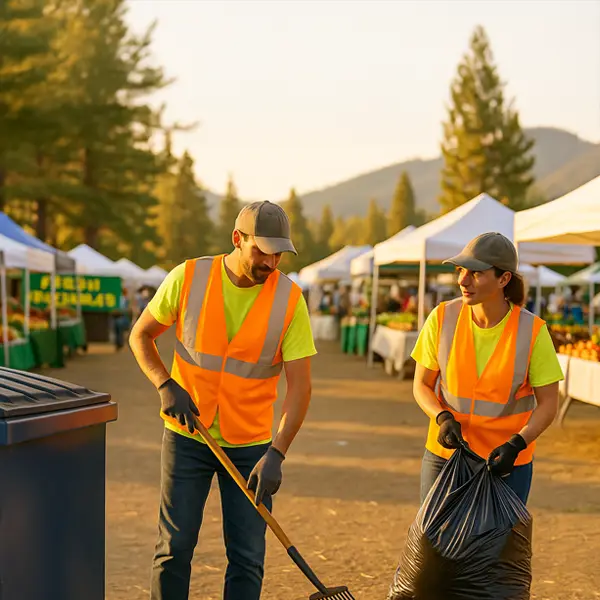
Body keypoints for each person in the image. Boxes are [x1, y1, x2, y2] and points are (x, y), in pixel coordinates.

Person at [129, 201, 317, 600]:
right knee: (173, 550)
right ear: (237, 238)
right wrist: (165, 384)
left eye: (278, 252)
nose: (271, 261)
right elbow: (141, 336)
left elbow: (300, 387)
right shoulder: (189, 277)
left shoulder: (289, 299)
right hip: (188, 437)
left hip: (251, 448)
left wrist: (277, 454)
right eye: (261, 250)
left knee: (247, 556)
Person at [411, 232, 563, 505]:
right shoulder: (442, 317)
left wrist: (517, 444)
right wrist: (442, 417)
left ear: (504, 279)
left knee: (494, 547)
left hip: (506, 461)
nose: (463, 280)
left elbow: (549, 404)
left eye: (476, 273)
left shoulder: (533, 331)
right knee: (433, 545)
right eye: (460, 270)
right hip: (445, 455)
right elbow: (421, 385)